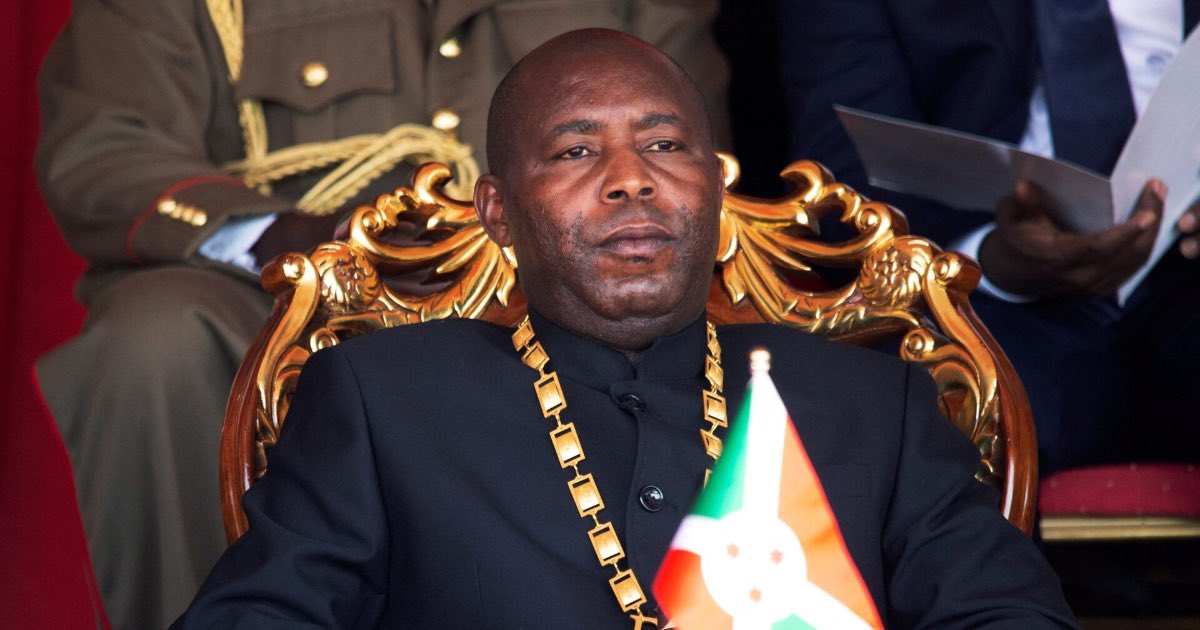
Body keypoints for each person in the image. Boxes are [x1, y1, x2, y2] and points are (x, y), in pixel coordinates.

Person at [171, 29, 1077, 628]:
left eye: (666, 145)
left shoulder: (872, 401)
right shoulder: (383, 402)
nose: (630, 178)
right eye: (574, 152)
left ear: (714, 187)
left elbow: (1006, 616)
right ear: (498, 211)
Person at [33, 2, 729, 627]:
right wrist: (281, 236)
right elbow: (104, 149)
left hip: (547, 285)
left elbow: (695, 146)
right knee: (152, 339)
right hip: (284, 286)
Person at [781, 0, 1200, 475]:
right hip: (986, 290)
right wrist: (987, 259)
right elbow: (841, 177)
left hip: (1185, 263)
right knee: (957, 415)